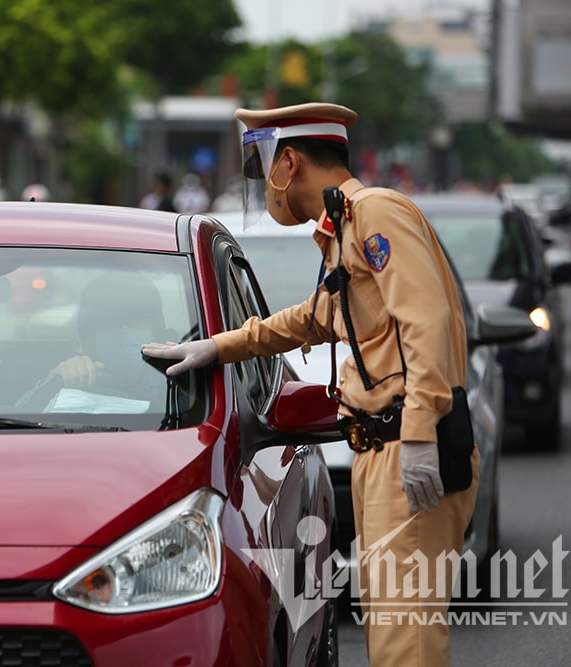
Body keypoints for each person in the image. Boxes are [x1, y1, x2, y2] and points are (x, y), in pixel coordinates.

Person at [141, 102, 478, 667]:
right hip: (378, 448)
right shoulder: (341, 226)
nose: (264, 187)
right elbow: (315, 317)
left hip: (406, 448)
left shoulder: (375, 214)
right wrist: (219, 345)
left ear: (288, 162)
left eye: (263, 168)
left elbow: (428, 322)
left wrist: (419, 431)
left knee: (406, 644)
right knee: (391, 634)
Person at [19, 271, 171, 411]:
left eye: (136, 319)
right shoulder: (71, 378)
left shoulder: (181, 382)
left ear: (156, 329)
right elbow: (19, 419)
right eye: (108, 322)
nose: (123, 332)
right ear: (87, 337)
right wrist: (50, 384)